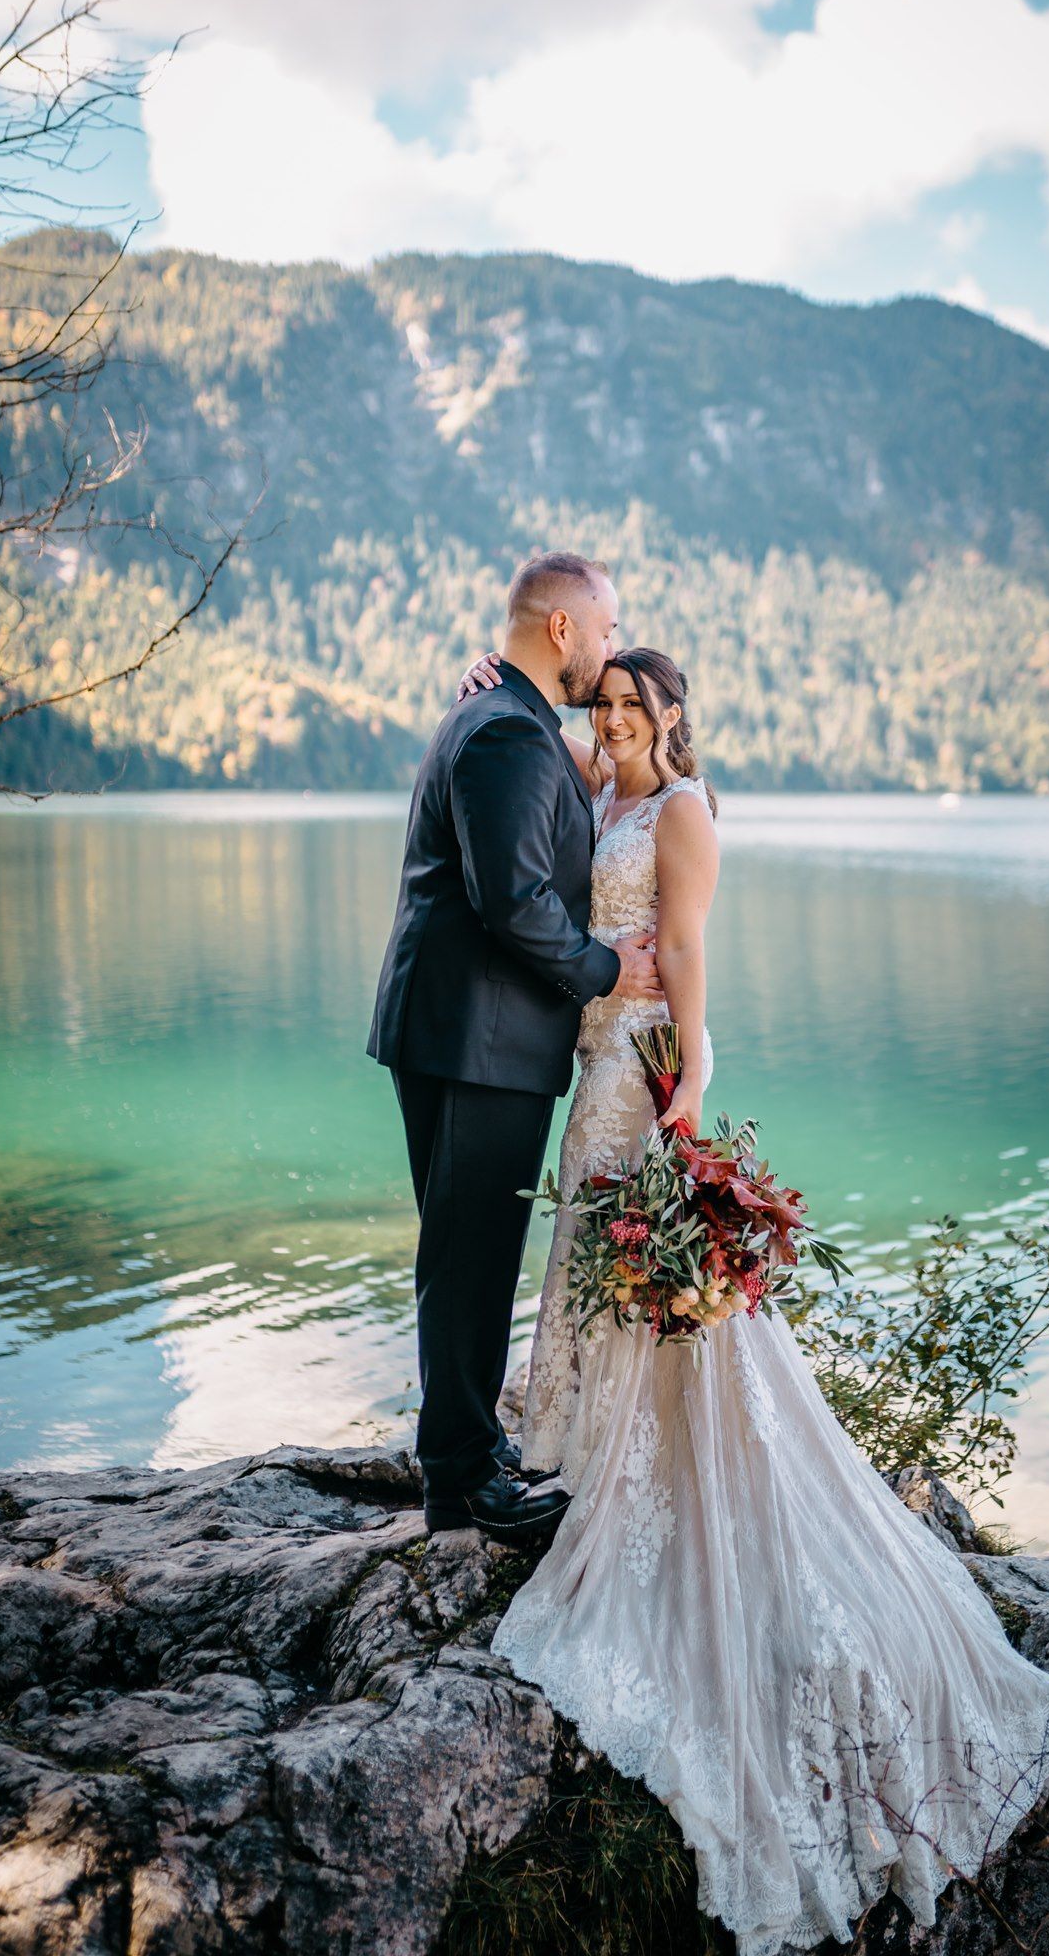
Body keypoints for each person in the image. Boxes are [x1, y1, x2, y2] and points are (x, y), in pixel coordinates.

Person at [455, 639, 1049, 1956]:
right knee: (591, 1262)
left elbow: (682, 950)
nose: (614, 720)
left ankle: (634, 1463)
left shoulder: (681, 812)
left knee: (626, 1264)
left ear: (670, 715)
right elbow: (532, 776)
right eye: (605, 703)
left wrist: (683, 1095)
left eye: (635, 705)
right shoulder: (611, 793)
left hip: (640, 1068)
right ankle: (576, 1442)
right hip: (589, 1064)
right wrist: (495, 688)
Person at [365, 551, 665, 1543]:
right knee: (469, 1258)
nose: (612, 646)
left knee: (466, 1253)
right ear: (563, 629)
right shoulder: (503, 731)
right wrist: (607, 969)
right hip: (475, 1038)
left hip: (468, 1031)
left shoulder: (509, 720)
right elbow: (515, 903)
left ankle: (462, 1457)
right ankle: (462, 1481)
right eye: (607, 626)